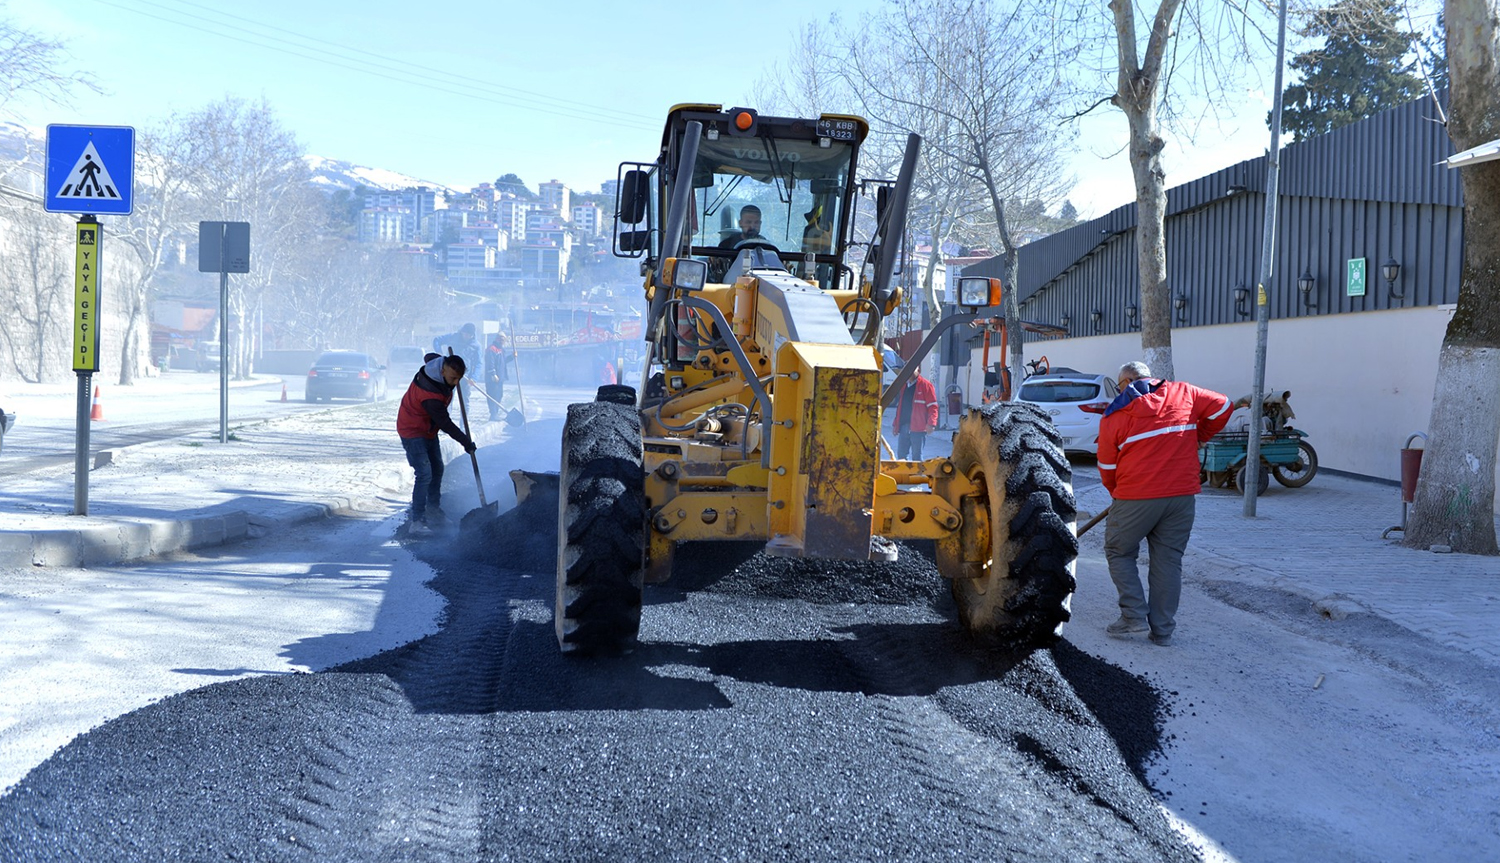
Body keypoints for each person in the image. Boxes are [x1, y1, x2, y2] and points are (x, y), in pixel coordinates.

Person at [1097, 361, 1234, 646]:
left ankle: (1133, 614)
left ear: (1124, 384)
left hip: (1135, 496)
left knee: (1119, 551)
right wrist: (1199, 436)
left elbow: (1107, 467)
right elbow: (1224, 406)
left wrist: (1117, 493)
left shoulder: (1115, 415)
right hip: (1181, 498)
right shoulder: (1184, 393)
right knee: (1168, 561)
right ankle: (1162, 631)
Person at [396, 353, 477, 536]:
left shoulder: (438, 366)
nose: (456, 383)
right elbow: (445, 423)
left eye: (459, 378)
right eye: (453, 378)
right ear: (442, 371)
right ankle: (417, 521)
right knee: (424, 473)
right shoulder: (430, 395)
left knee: (437, 468)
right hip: (412, 430)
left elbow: (428, 356)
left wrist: (445, 359)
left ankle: (434, 511)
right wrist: (466, 442)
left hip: (427, 429)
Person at [890, 366, 938, 460]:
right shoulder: (904, 386)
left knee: (917, 458)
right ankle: (904, 475)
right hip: (904, 427)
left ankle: (917, 475)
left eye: (912, 369)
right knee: (901, 457)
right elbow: (900, 407)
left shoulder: (925, 385)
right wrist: (896, 424)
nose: (910, 372)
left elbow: (933, 407)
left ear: (918, 369)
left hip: (918, 429)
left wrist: (931, 423)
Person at [483, 333, 509, 422]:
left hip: (500, 378)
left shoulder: (501, 350)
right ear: (498, 339)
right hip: (492, 379)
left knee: (499, 395)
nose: (503, 342)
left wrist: (512, 357)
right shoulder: (492, 349)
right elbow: (490, 363)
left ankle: (496, 413)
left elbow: (503, 362)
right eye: (502, 339)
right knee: (492, 396)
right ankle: (493, 414)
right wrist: (493, 374)